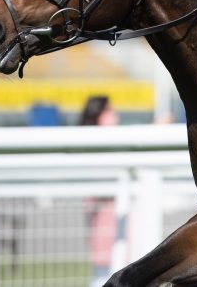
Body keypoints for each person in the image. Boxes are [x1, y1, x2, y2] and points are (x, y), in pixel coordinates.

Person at [79, 95, 119, 287]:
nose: (114, 114)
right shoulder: (92, 145)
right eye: (109, 110)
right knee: (105, 265)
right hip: (103, 212)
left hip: (112, 210)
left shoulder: (114, 143)